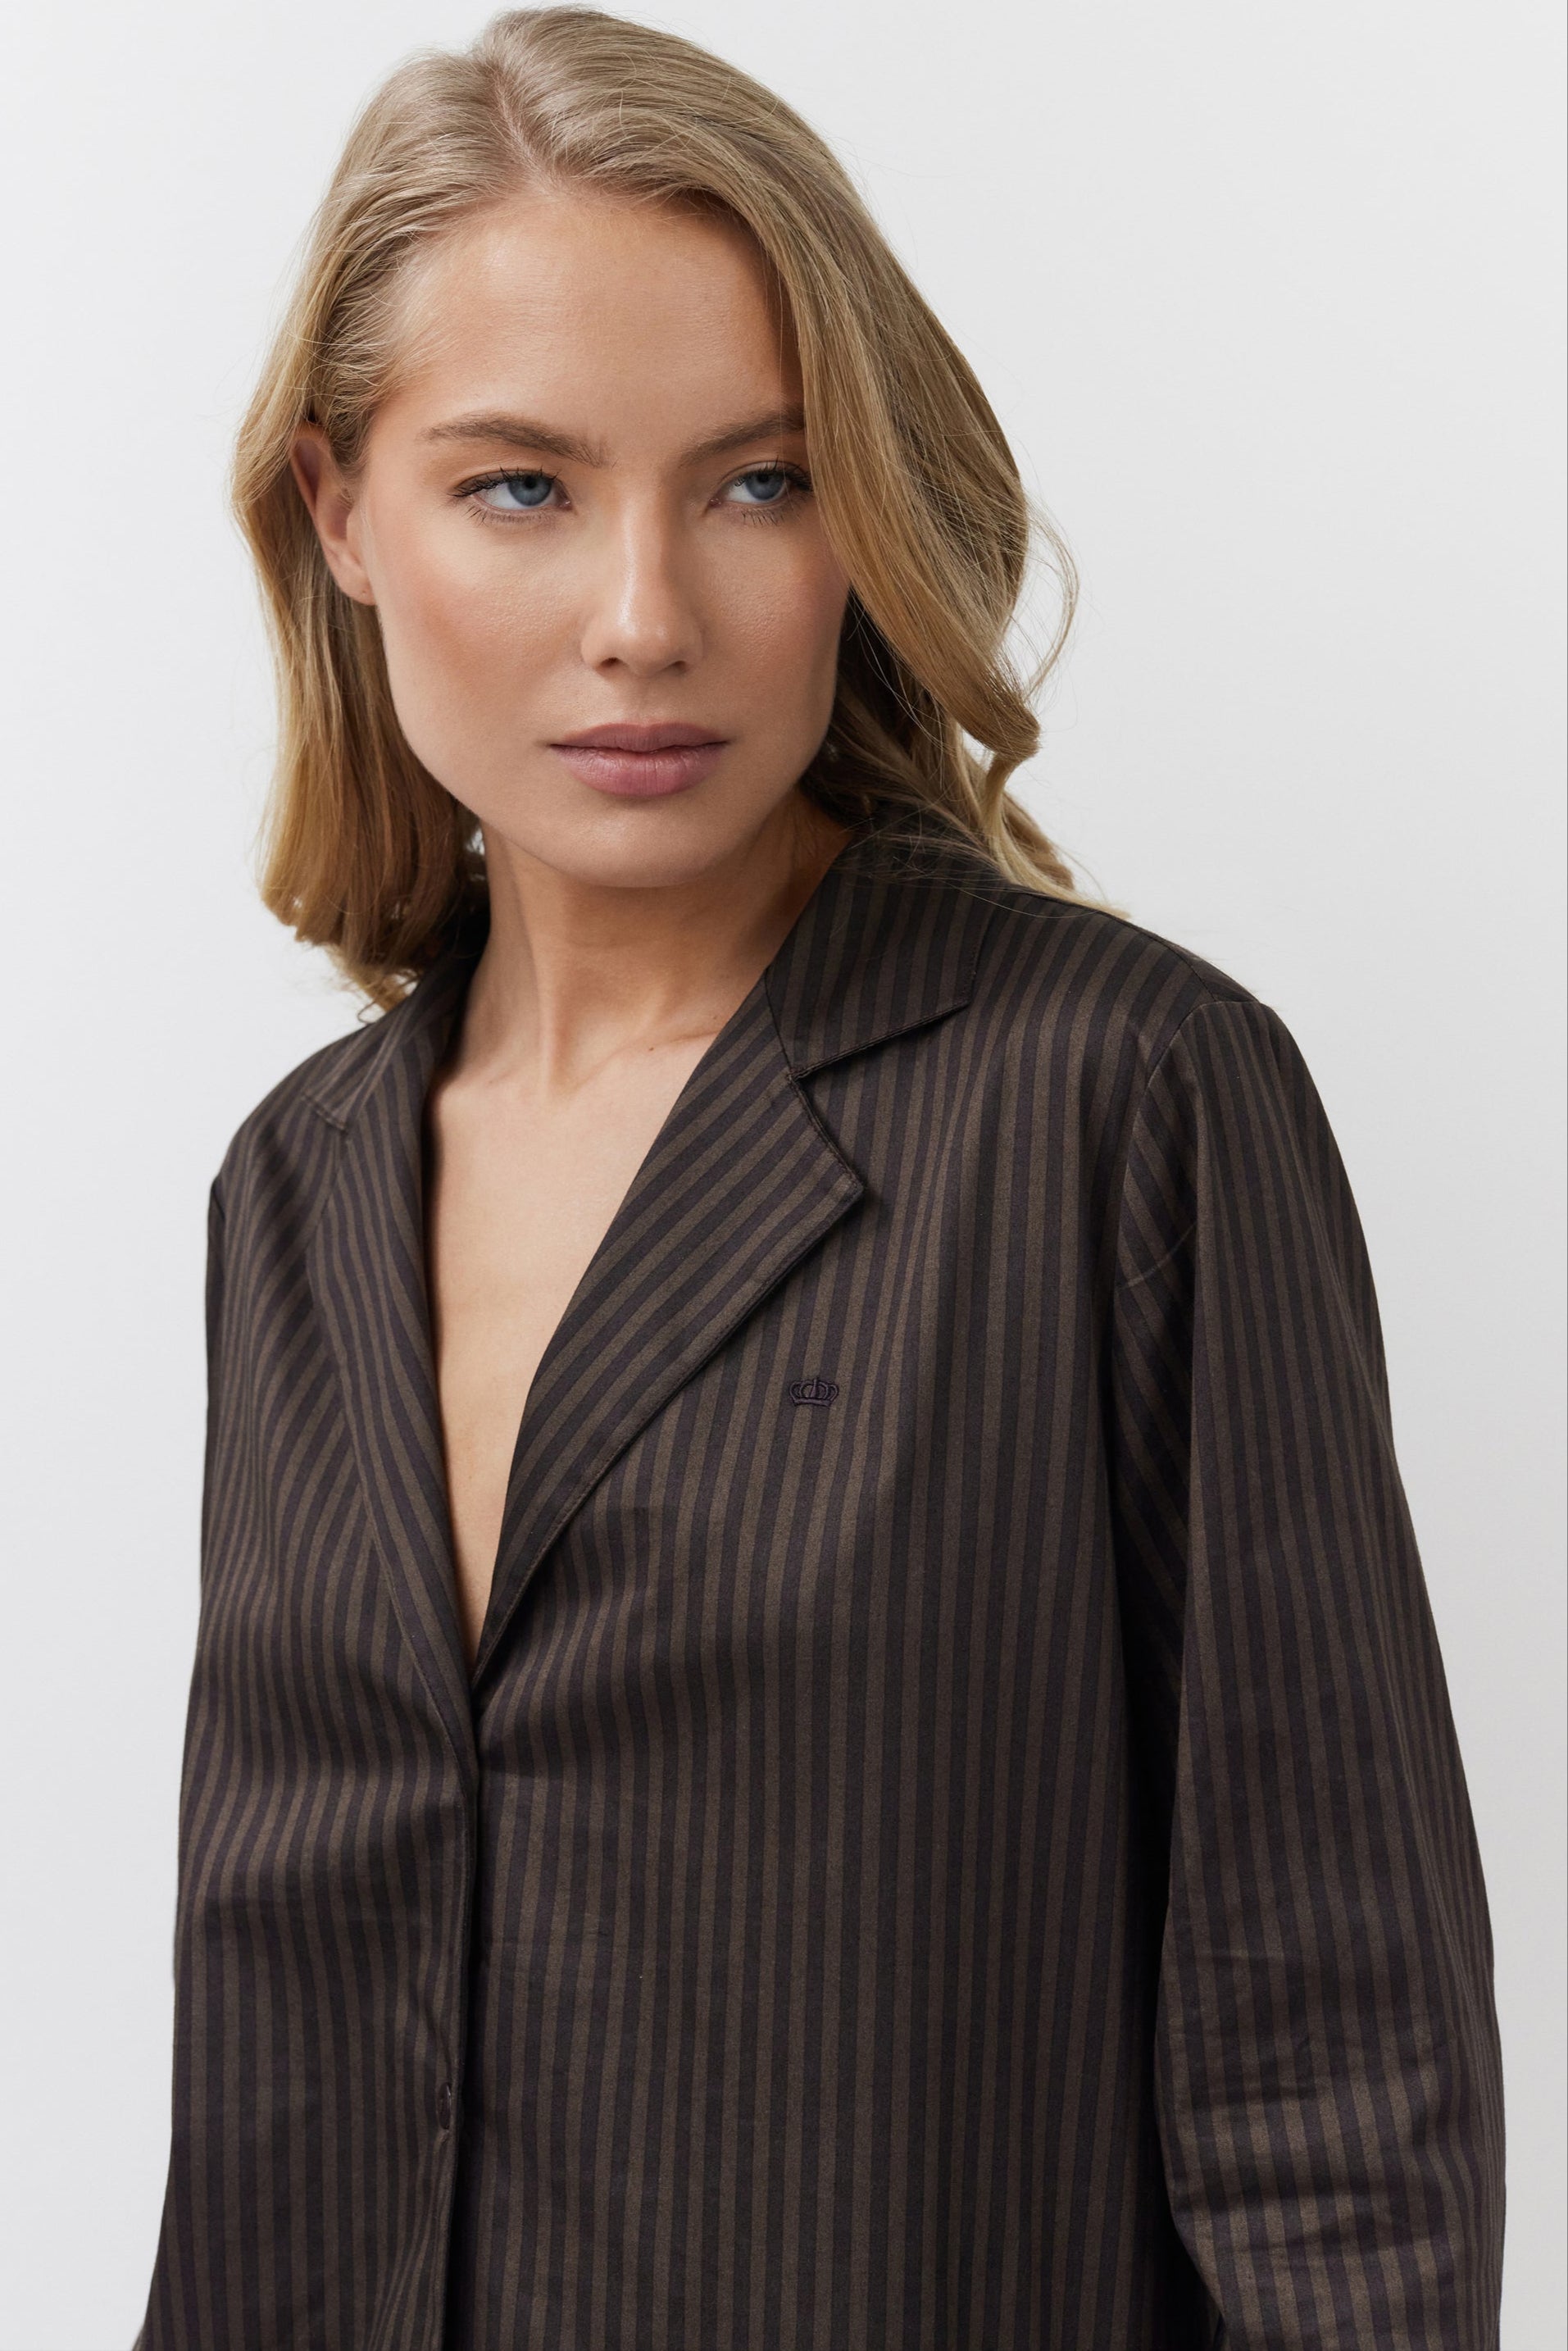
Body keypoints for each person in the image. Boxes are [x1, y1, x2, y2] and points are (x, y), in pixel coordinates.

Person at [136, 9, 1505, 2346]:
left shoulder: (1121, 1102)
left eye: (758, 482)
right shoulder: (299, 1195)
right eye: (521, 487)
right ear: (337, 509)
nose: (644, 613)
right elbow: (290, 2061)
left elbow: (1332, 2059)